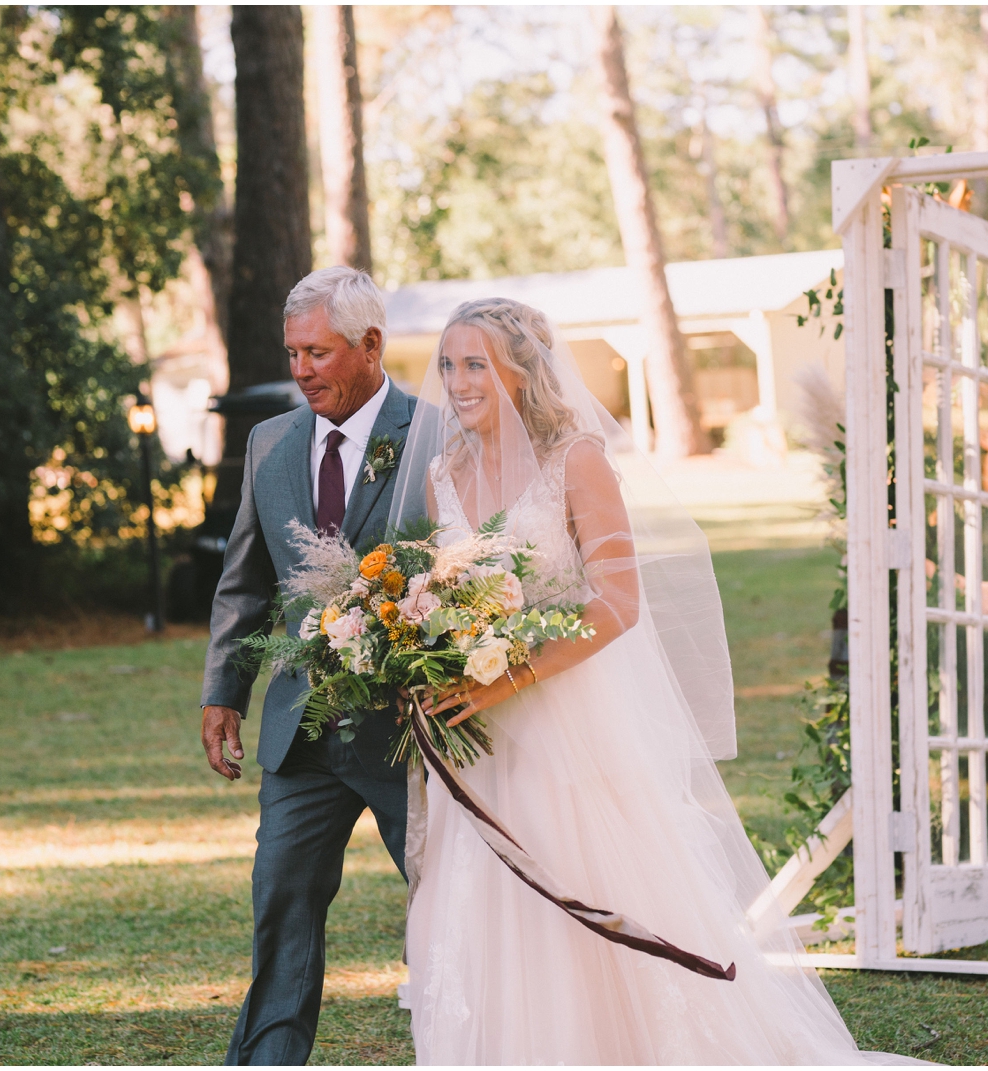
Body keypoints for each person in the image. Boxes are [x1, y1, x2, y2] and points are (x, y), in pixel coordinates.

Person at [391, 298, 923, 1065]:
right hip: (474, 738)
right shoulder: (445, 472)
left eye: (476, 362)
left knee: (581, 887)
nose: (458, 380)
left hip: (562, 726)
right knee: (477, 902)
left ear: (521, 368)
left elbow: (617, 602)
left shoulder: (575, 457)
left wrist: (508, 675)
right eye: (448, 364)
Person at [200, 266, 418, 1065]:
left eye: (318, 352)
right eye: (293, 352)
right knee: (280, 907)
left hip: (411, 734)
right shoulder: (269, 441)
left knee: (449, 908)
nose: (301, 370)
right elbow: (245, 578)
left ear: (369, 345)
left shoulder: (433, 433)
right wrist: (224, 689)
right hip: (301, 737)